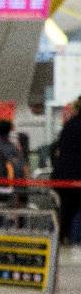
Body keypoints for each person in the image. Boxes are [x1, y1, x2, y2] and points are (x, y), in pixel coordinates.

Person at [51, 99, 81, 243]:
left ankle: (60, 240)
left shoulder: (68, 126)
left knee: (66, 212)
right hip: (76, 178)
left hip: (63, 177)